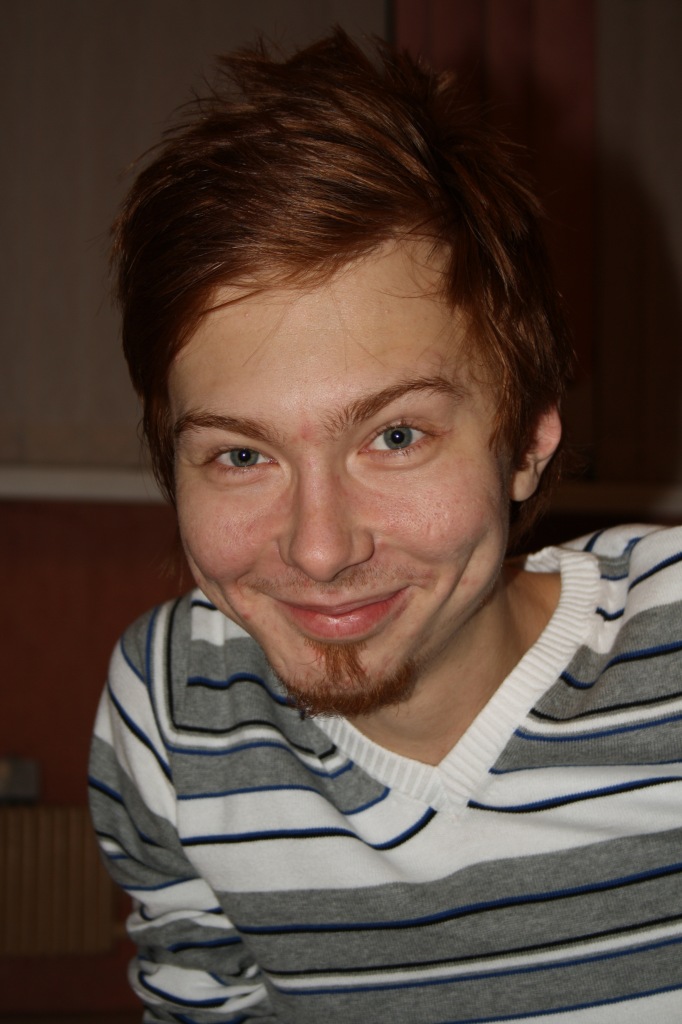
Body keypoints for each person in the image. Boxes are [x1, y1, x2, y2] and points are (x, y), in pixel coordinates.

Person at [88, 29, 682, 1023]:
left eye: (396, 436)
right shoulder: (174, 708)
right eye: (241, 455)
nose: (320, 550)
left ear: (527, 441)